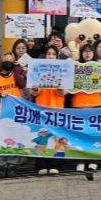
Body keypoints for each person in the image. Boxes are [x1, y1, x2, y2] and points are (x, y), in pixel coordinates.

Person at [0, 51, 26, 178]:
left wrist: (17, 69)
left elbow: (22, 85)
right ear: (1, 62)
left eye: (11, 60)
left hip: (15, 114)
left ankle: (13, 164)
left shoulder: (17, 75)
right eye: (5, 60)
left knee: (15, 139)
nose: (8, 62)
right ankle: (2, 165)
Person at [29, 45, 66, 175]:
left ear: (57, 56)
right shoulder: (37, 70)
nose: (51, 56)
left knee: (56, 138)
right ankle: (41, 165)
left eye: (53, 54)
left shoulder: (63, 71)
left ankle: (56, 165)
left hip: (57, 110)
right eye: (48, 54)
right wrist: (35, 88)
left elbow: (64, 93)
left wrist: (60, 87)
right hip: (41, 110)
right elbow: (34, 93)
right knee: (42, 137)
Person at [70, 44, 101, 173]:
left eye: (90, 51)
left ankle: (93, 160)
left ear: (94, 53)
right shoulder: (75, 67)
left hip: (96, 103)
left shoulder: (100, 68)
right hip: (79, 103)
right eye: (85, 51)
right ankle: (80, 161)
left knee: (94, 134)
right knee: (79, 134)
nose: (87, 54)